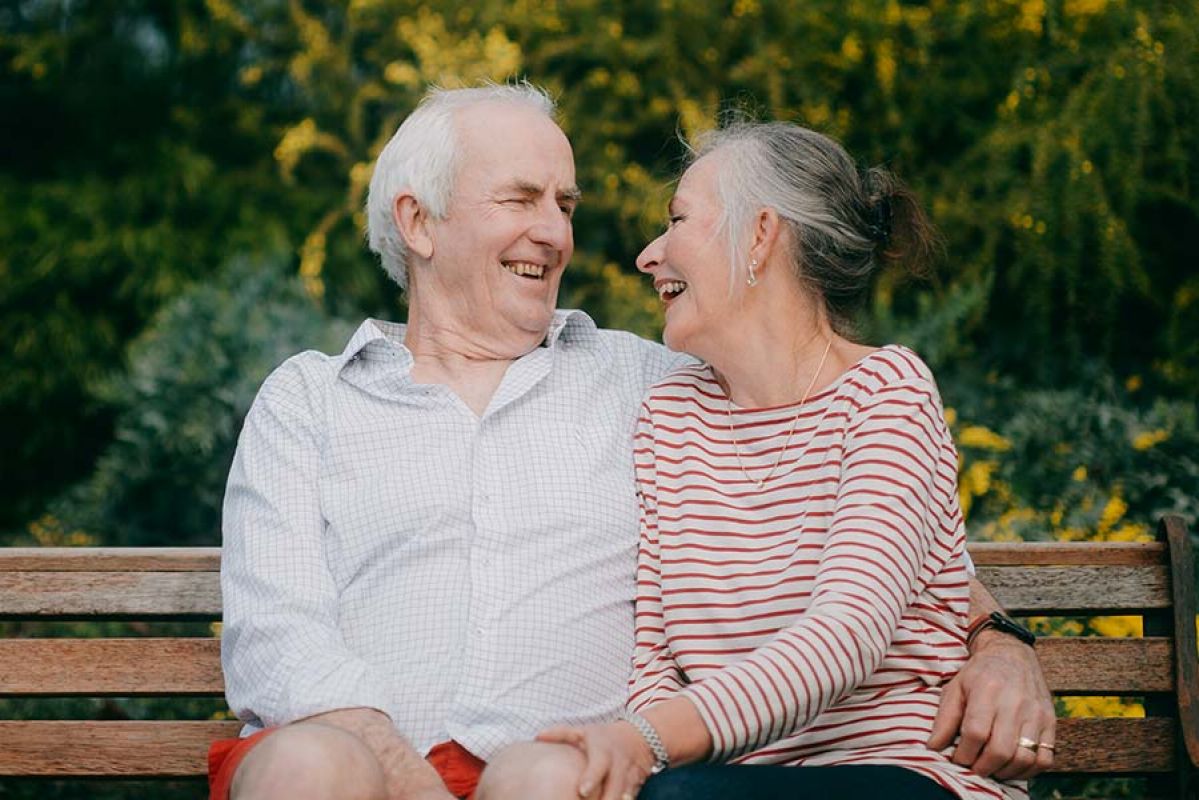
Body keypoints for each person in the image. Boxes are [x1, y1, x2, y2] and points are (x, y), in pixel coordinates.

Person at [214, 85, 1054, 800]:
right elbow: (273, 631)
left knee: (538, 780)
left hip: (563, 771)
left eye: (565, 205)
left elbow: (881, 550)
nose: (556, 232)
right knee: (310, 765)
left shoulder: (649, 383)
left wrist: (999, 642)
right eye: (520, 199)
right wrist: (402, 771)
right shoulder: (310, 398)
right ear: (418, 222)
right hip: (354, 761)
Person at [521, 123, 1037, 800]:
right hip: (722, 787)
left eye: (677, 220)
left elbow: (844, 637)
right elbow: (651, 657)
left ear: (760, 235)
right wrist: (651, 754)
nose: (649, 256)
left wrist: (642, 741)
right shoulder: (670, 414)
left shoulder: (885, 394)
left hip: (902, 774)